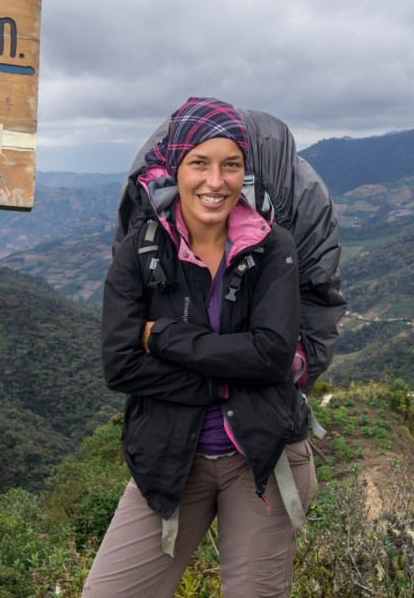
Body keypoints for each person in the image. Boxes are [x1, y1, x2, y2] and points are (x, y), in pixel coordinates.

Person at [84, 97, 318, 597]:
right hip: (170, 457)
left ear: (244, 172)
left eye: (231, 165)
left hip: (262, 459)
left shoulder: (274, 247)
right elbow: (120, 366)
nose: (216, 181)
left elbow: (273, 355)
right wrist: (233, 372)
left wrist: (162, 337)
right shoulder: (140, 250)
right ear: (176, 168)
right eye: (200, 163)